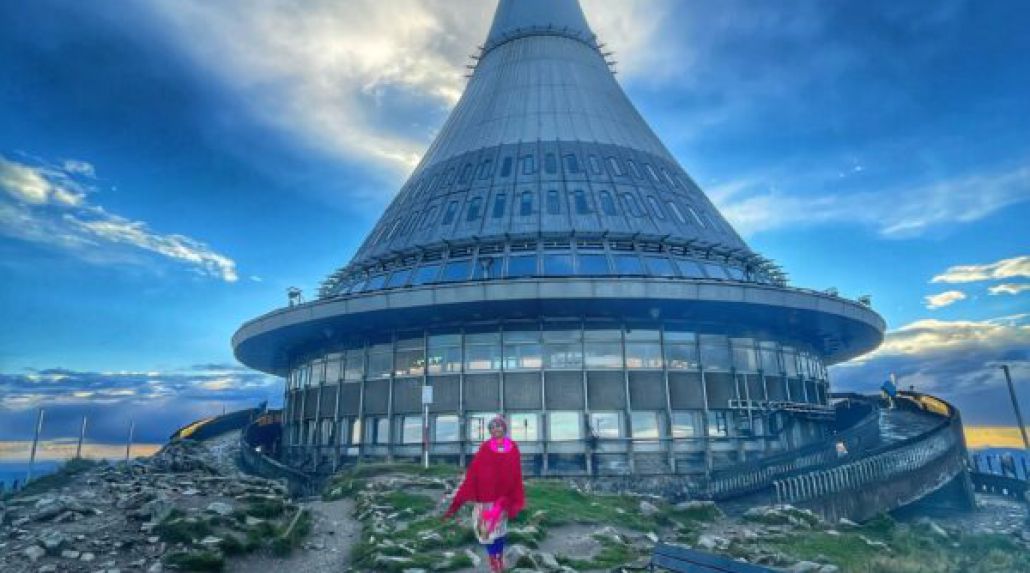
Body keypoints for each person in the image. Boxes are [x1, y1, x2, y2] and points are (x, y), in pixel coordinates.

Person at [444, 416, 525, 572]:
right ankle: (493, 560)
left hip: (503, 497)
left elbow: (516, 471)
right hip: (485, 496)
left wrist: (513, 493)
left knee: (500, 529)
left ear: (504, 428)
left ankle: (498, 558)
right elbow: (476, 468)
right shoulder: (486, 447)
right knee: (485, 530)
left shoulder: (513, 447)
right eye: (492, 427)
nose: (495, 429)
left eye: (498, 426)